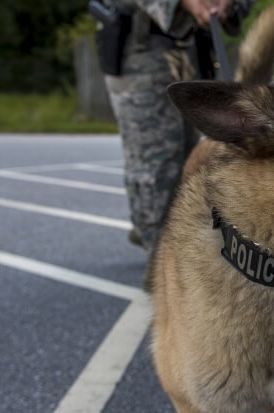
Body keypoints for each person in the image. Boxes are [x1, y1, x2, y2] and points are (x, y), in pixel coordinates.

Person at [99, 0, 251, 254]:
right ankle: (158, 260)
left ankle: (169, 239)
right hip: (141, 49)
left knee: (190, 160)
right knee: (155, 162)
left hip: (194, 46)